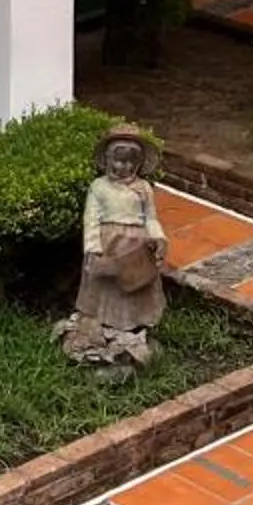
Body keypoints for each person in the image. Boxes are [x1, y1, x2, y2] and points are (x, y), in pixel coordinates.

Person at [60, 128, 167, 371]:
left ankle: (131, 325)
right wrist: (94, 248)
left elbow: (150, 217)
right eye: (118, 160)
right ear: (107, 160)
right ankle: (102, 325)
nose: (123, 167)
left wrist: (158, 237)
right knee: (106, 286)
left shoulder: (143, 189)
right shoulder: (99, 187)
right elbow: (91, 219)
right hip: (109, 243)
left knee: (134, 285)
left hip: (137, 246)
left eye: (130, 162)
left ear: (138, 164)